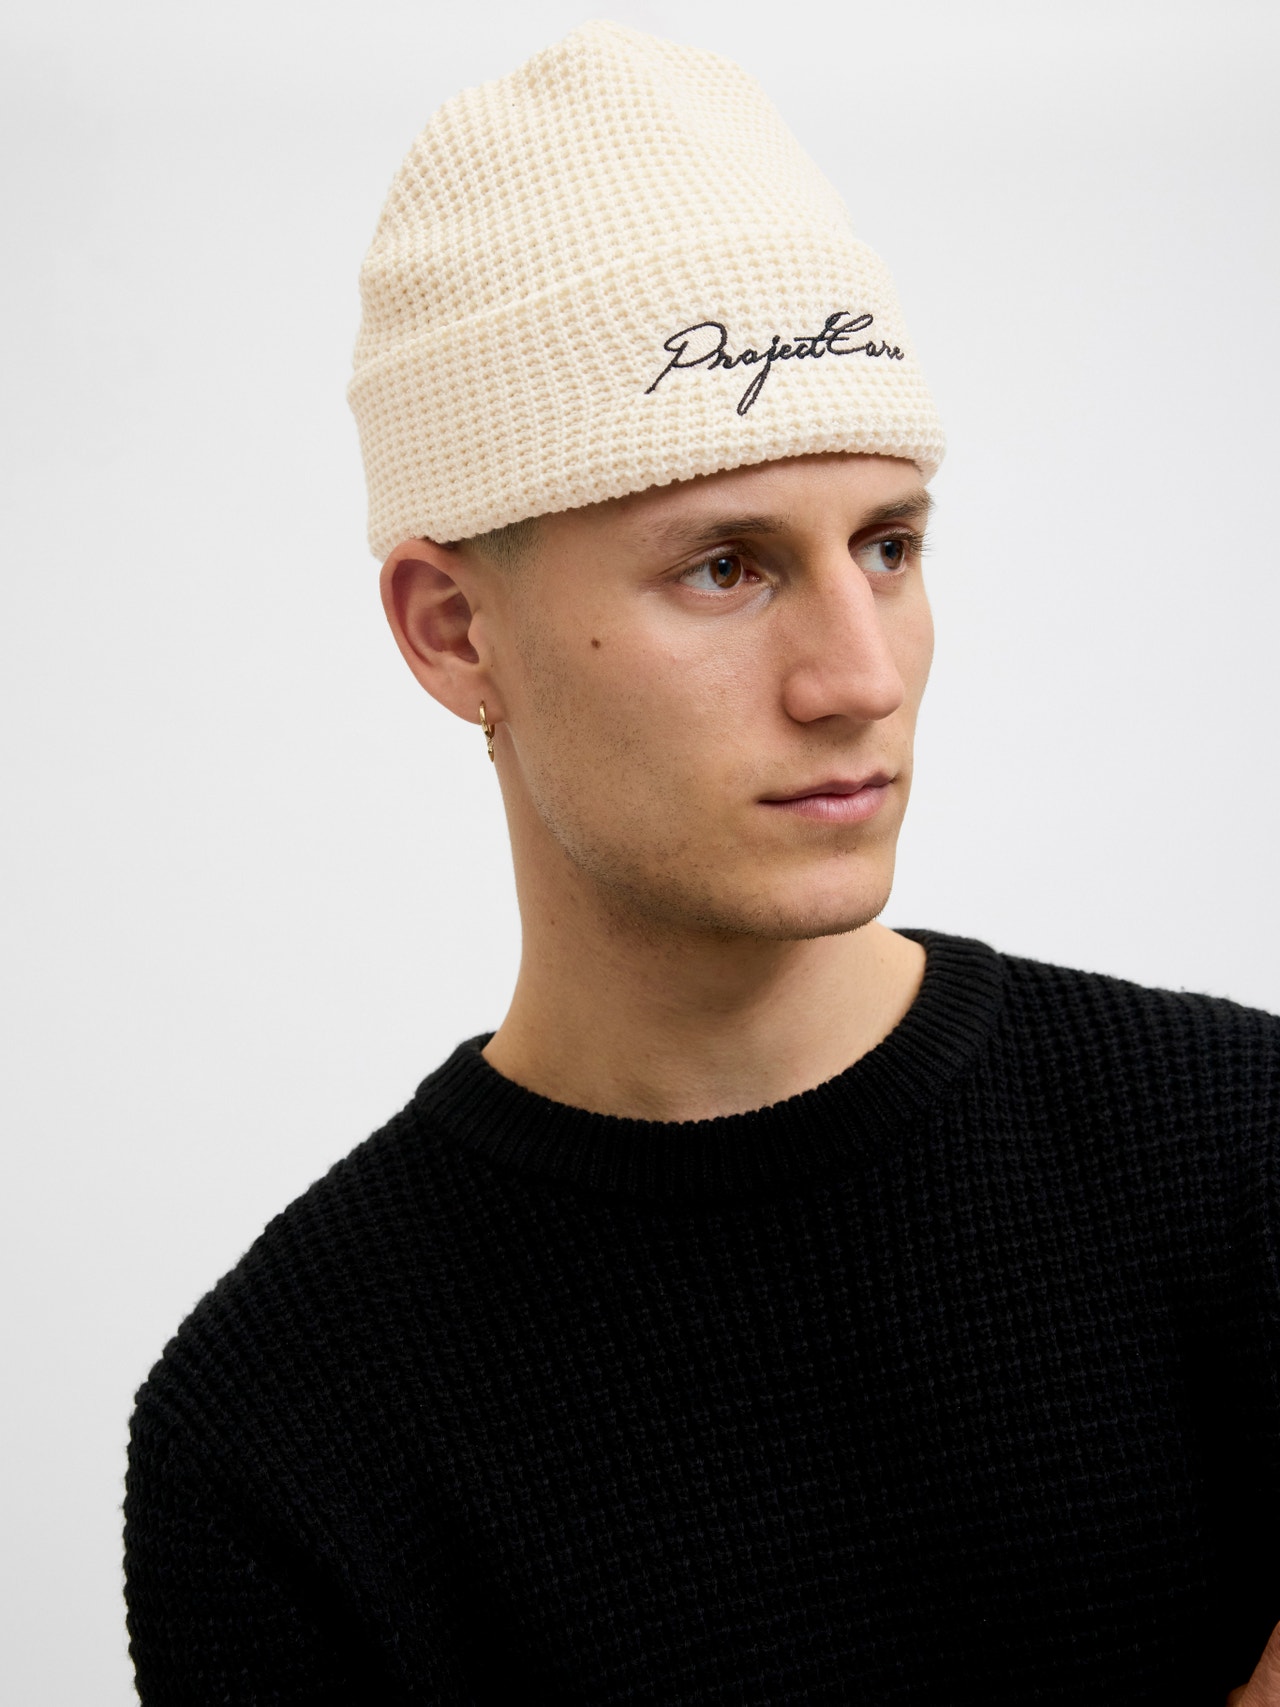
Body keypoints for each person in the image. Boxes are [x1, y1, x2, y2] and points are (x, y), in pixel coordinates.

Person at [122, 21, 1280, 1704]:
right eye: (727, 567)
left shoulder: (1241, 1155)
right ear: (452, 629)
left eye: (888, 545)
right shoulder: (286, 1432)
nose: (858, 677)